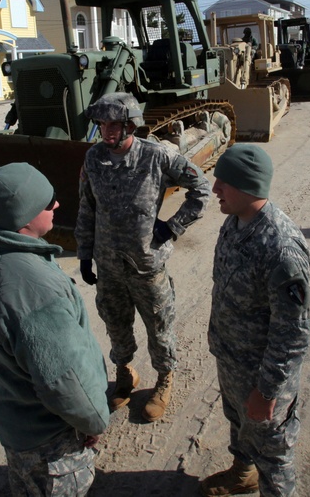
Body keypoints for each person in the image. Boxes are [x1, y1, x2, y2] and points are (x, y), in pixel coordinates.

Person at [0, 163, 110, 496]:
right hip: (50, 440)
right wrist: (93, 420)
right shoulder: (33, 289)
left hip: (10, 419)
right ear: (24, 216)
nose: (57, 205)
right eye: (48, 201)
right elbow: (64, 380)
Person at [75, 92, 211, 423]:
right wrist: (84, 253)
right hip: (109, 267)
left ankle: (164, 379)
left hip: (146, 266)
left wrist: (173, 227)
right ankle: (125, 374)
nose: (106, 131)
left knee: (159, 326)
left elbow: (201, 189)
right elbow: (86, 207)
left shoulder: (156, 156)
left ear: (130, 125)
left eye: (114, 125)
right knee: (116, 324)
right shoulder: (94, 159)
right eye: (102, 124)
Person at [199, 144, 310, 497]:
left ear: (248, 186)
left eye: (223, 182)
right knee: (238, 425)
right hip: (233, 362)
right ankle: (243, 473)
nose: (214, 188)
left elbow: (292, 333)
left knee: (273, 454)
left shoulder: (280, 248)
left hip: (262, 376)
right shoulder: (234, 223)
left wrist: (266, 392)